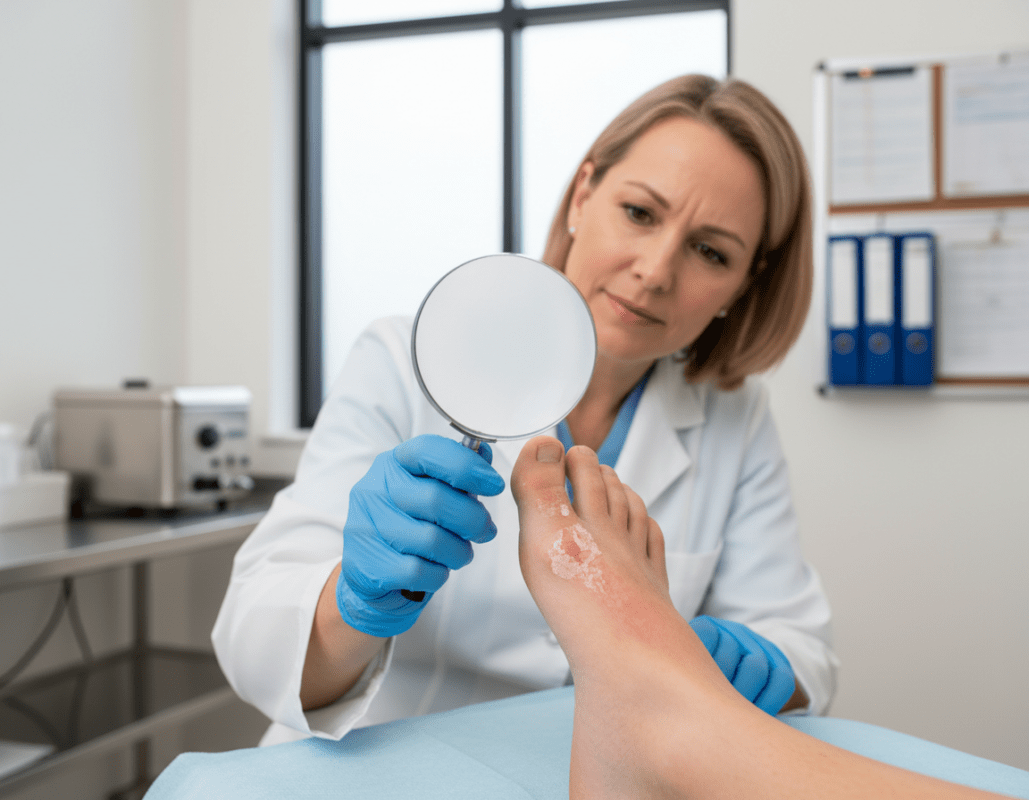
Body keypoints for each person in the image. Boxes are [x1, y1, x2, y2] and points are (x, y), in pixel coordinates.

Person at [212, 74, 838, 745]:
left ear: (740, 288)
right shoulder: (403, 358)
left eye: (710, 251)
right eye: (640, 213)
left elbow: (799, 647)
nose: (655, 270)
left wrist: (753, 662)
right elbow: (254, 640)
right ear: (582, 195)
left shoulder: (733, 418)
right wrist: (352, 603)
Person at [510, 435, 1008, 800]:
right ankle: (669, 730)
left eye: (711, 279)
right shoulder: (442, 371)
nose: (654, 283)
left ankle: (666, 731)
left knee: (697, 724)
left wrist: (764, 660)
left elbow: (797, 635)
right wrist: (424, 589)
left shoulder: (735, 412)